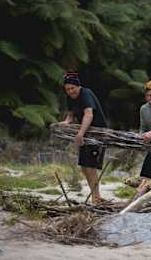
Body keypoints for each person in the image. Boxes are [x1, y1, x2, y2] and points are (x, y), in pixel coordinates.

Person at [58, 72, 108, 204]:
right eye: (67, 89)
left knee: (91, 166)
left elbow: (89, 114)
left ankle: (96, 198)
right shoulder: (70, 97)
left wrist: (80, 133)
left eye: (72, 88)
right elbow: (70, 116)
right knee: (84, 167)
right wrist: (64, 123)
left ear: (78, 86)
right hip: (86, 132)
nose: (70, 91)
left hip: (98, 133)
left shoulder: (86, 93)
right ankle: (95, 196)